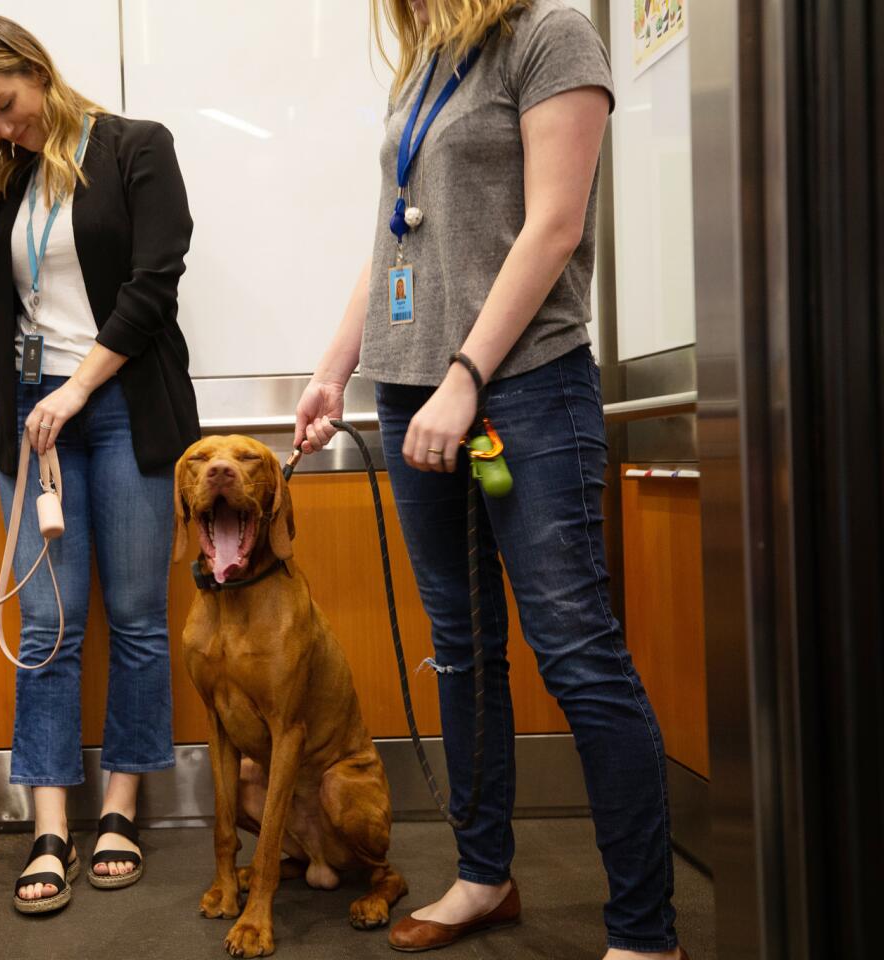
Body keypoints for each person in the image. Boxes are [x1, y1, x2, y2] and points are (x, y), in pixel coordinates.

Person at [294, 2, 686, 958]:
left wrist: (466, 377)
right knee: (462, 652)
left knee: (578, 654)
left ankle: (646, 931)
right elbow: (394, 241)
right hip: (410, 392)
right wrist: (335, 366)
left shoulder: (551, 34)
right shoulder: (424, 62)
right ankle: (484, 877)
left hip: (525, 387)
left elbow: (554, 226)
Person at [0, 14, 198, 916]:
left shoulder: (134, 148)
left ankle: (120, 810)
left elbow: (154, 287)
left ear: (36, 71)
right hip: (32, 417)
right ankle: (51, 822)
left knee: (135, 616)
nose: (4, 129)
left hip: (121, 406)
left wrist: (78, 389)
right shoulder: (0, 175)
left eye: (7, 105)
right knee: (46, 626)